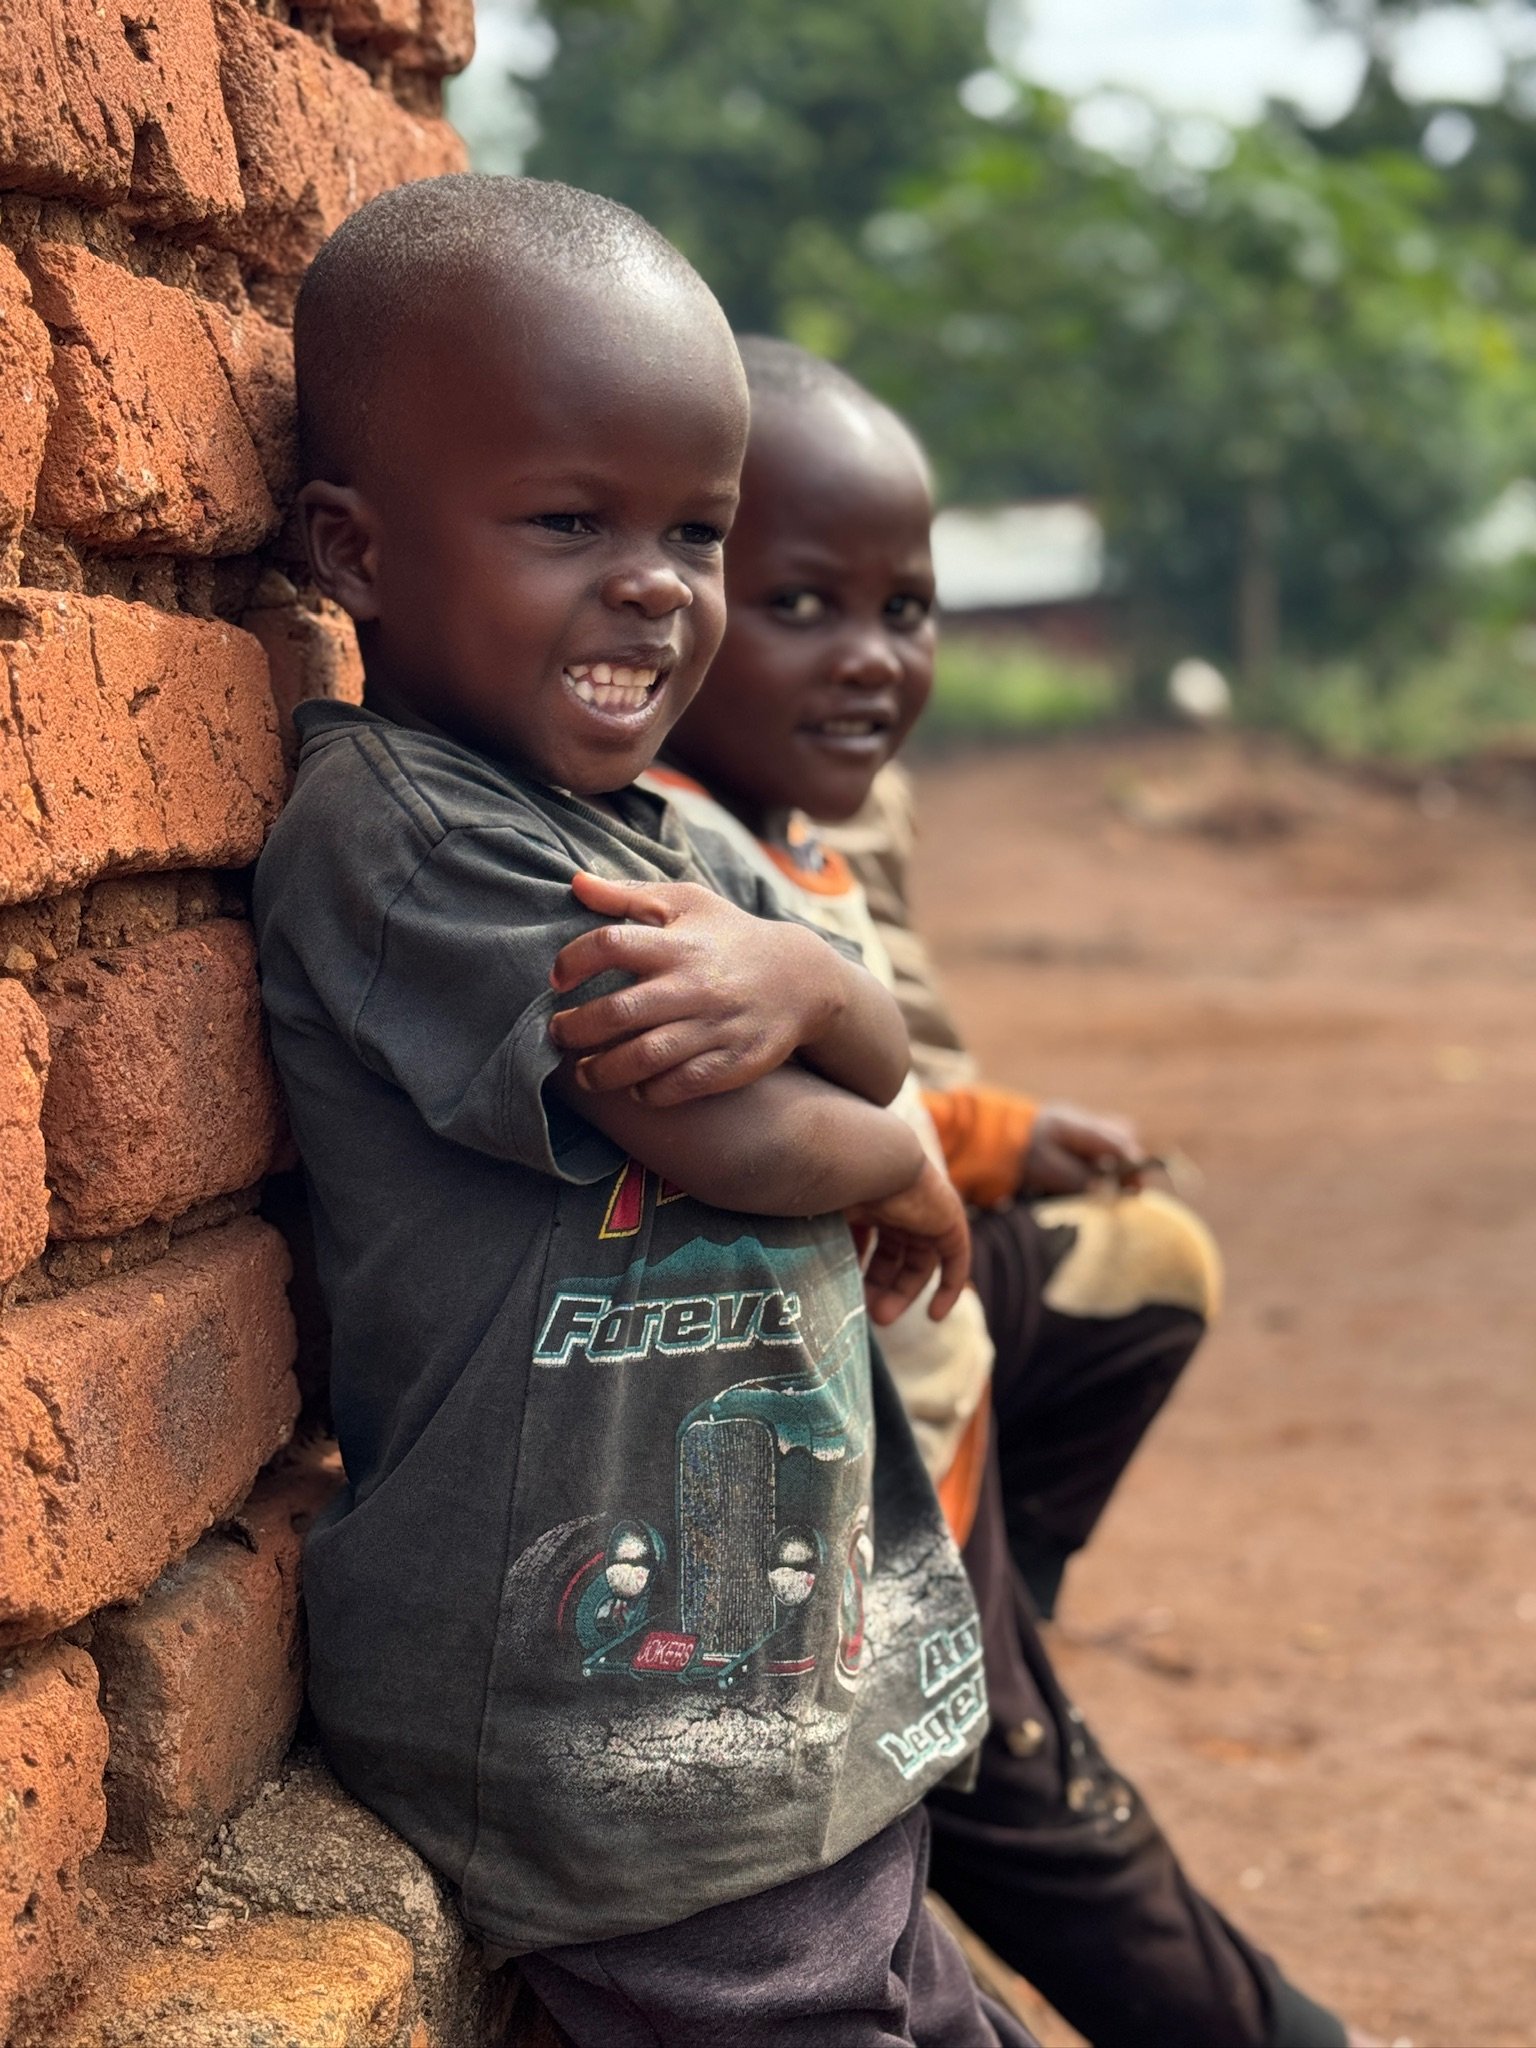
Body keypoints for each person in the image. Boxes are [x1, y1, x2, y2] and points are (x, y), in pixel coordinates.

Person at [253, 174, 1040, 2048]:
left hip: (780, 1697)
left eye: (695, 528)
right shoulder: (406, 832)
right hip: (606, 1719)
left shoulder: (664, 830)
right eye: (567, 521)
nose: (655, 585)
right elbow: (730, 1129)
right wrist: (907, 1149)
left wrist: (837, 1009)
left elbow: (850, 1044)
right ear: (351, 550)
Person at [651, 333, 1372, 2048]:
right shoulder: (677, 856)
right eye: (805, 603)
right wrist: (927, 1144)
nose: (876, 661)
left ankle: (989, 1671)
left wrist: (989, 1134)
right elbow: (780, 1115)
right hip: (848, 1492)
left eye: (908, 609)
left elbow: (880, 1080)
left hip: (923, 1430)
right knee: (1067, 1838)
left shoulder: (803, 832)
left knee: (1147, 1268)